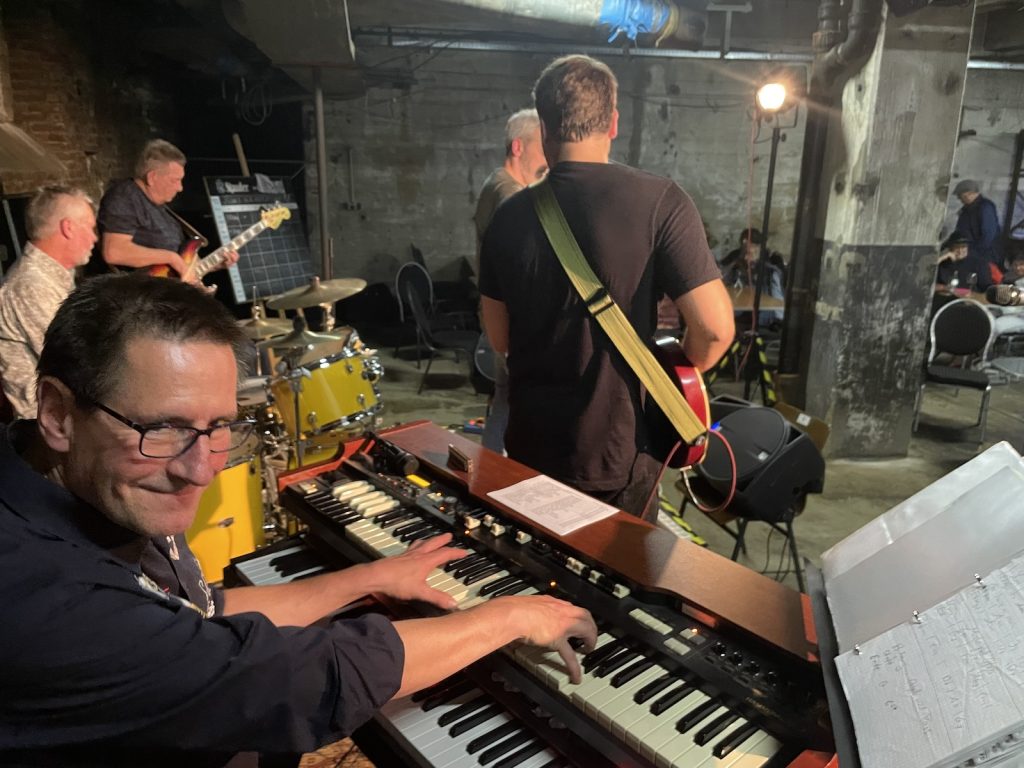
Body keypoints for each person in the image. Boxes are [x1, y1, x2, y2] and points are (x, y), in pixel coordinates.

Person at [0, 273, 596, 767]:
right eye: (164, 428)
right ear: (57, 413)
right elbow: (297, 681)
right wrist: (507, 616)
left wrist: (366, 579)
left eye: (218, 427)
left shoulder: (95, 491)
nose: (201, 471)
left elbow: (199, 615)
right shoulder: (42, 598)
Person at [479, 55, 734, 521]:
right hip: (619, 453)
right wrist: (675, 371)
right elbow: (715, 330)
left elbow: (500, 339)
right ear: (614, 122)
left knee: (534, 560)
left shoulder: (508, 217)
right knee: (615, 567)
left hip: (530, 446)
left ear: (545, 127)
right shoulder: (661, 202)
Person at [473, 108, 548, 455]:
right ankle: (500, 472)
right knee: (518, 404)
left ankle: (490, 469)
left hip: (502, 318)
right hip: (515, 322)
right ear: (518, 147)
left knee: (505, 399)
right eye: (542, 146)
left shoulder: (496, 184)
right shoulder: (510, 195)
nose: (548, 156)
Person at [0, 186, 97, 419]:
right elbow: (77, 362)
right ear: (68, 228)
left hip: (75, 408)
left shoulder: (52, 276)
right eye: (90, 227)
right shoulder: (30, 285)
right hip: (53, 422)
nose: (95, 238)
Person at [96, 139, 238, 280]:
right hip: (138, 292)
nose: (180, 188)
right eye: (175, 180)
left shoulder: (159, 206)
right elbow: (114, 252)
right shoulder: (125, 197)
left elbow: (181, 267)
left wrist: (214, 264)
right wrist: (171, 258)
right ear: (152, 177)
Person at [719, 227, 785, 329]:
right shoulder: (736, 259)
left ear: (759, 247)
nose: (747, 254)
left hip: (761, 317)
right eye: (745, 247)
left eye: (753, 246)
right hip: (737, 314)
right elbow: (721, 278)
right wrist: (736, 264)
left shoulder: (770, 269)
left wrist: (778, 320)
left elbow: (777, 299)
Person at [951, 179, 1002, 289]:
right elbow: (960, 232)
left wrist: (973, 253)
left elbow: (988, 235)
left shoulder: (985, 208)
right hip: (969, 252)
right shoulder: (967, 209)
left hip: (983, 256)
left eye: (961, 196)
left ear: (970, 193)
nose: (960, 199)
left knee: (979, 283)